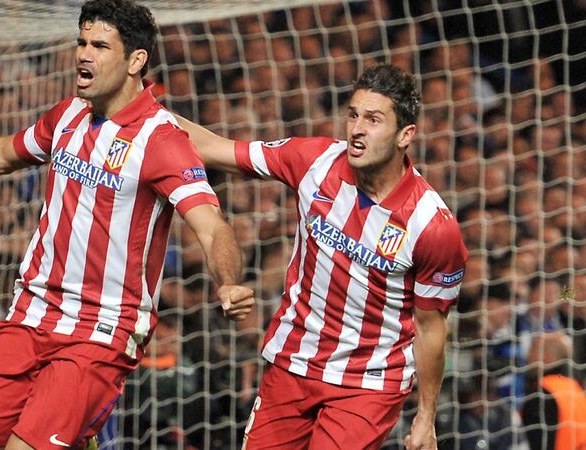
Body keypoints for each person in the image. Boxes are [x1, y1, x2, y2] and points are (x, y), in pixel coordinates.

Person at [0, 1, 255, 449]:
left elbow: (211, 224)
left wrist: (227, 281)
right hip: (28, 317)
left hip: (98, 332)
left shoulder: (163, 141)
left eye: (99, 45)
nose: (83, 55)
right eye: (81, 42)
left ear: (136, 61)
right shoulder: (69, 115)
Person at [177, 63, 468, 450]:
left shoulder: (433, 226)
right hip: (292, 362)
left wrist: (425, 417)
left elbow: (431, 327)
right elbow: (216, 148)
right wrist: (138, 109)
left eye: (373, 119)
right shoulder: (314, 160)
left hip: (367, 385)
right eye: (353, 115)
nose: (357, 129)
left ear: (405, 135)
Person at [521, 331, 586, 450]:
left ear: (547, 356)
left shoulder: (543, 392)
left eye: (533, 349)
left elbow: (537, 442)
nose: (528, 355)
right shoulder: (576, 388)